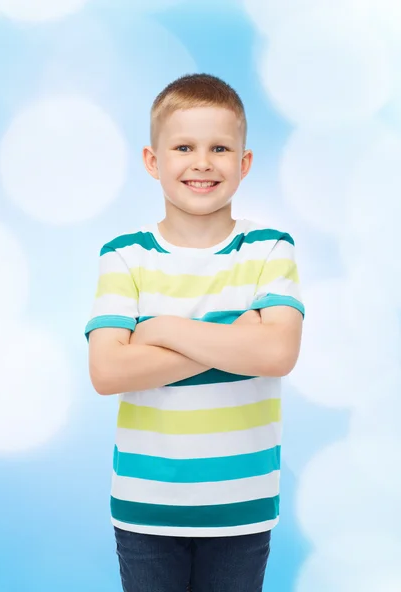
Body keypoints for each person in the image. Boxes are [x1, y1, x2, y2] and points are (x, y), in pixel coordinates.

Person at [85, 74, 304, 592]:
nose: (202, 162)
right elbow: (107, 370)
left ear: (244, 163)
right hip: (147, 507)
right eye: (184, 147)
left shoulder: (270, 249)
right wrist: (235, 337)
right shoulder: (123, 255)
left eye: (220, 148)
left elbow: (277, 353)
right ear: (153, 161)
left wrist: (160, 332)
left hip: (241, 505)